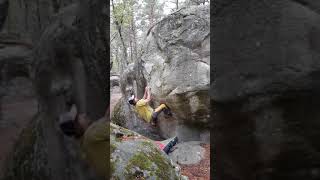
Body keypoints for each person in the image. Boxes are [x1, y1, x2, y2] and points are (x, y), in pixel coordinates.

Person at [59, 104, 109, 179]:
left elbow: (105, 120)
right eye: (78, 117)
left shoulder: (84, 145)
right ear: (76, 127)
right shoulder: (91, 133)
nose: (84, 115)